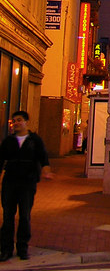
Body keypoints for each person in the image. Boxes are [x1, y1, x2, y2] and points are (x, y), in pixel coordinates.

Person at [0, 111, 53, 261]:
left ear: (26, 122)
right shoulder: (8, 141)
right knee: (8, 216)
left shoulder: (34, 140)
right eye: (14, 121)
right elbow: (1, 160)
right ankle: (6, 249)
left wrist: (46, 172)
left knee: (24, 216)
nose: (16, 123)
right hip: (10, 182)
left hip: (27, 182)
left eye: (19, 120)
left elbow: (43, 158)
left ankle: (23, 248)